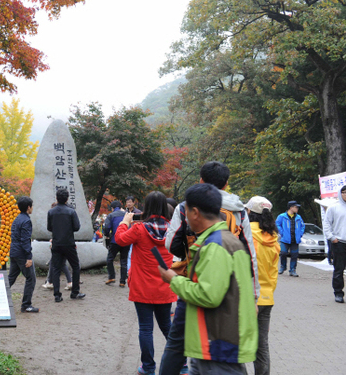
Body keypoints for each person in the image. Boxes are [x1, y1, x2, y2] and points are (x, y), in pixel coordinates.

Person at [160, 161, 259, 375]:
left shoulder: (190, 210)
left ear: (201, 180)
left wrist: (174, 277)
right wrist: (255, 294)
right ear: (226, 184)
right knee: (202, 355)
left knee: (178, 343)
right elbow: (250, 251)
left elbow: (170, 244)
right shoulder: (239, 211)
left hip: (194, 286)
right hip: (233, 297)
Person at [115, 191, 176, 375]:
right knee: (168, 327)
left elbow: (120, 239)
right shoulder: (173, 229)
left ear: (147, 207)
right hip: (165, 286)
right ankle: (181, 364)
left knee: (146, 329)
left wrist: (125, 222)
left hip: (142, 287)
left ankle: (148, 367)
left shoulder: (139, 229)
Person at [245, 196, 279, 375]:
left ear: (249, 212)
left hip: (248, 297)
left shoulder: (245, 234)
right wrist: (267, 292)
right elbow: (274, 273)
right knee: (262, 345)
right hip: (267, 298)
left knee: (239, 343)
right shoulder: (273, 238)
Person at [47, 188, 85, 302]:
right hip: (69, 243)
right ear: (67, 199)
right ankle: (75, 292)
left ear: (57, 198)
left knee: (56, 268)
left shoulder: (51, 212)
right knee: (75, 266)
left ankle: (57, 295)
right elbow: (77, 227)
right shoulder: (71, 211)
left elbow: (49, 228)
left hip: (56, 243)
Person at [8, 196, 39, 313]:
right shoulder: (26, 220)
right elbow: (25, 240)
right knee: (31, 278)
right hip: (21, 253)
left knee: (11, 278)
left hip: (14, 252)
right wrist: (28, 257)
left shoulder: (16, 219)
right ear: (28, 207)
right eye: (32, 206)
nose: (32, 208)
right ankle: (26, 305)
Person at [323, 185, 346, 303]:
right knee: (339, 269)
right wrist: (332, 237)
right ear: (340, 193)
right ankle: (338, 293)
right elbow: (327, 224)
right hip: (339, 243)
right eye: (344, 192)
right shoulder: (334, 208)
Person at [103, 200, 130, 287]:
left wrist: (107, 235)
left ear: (112, 208)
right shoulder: (127, 214)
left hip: (115, 240)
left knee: (110, 259)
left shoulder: (111, 215)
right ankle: (122, 281)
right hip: (126, 240)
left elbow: (106, 227)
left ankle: (111, 277)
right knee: (124, 260)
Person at [275, 200, 305, 277]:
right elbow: (277, 224)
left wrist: (300, 234)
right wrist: (282, 233)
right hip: (285, 239)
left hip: (295, 239)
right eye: (296, 207)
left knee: (294, 255)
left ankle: (292, 270)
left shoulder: (298, 217)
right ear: (291, 207)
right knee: (283, 253)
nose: (297, 208)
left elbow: (302, 226)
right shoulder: (282, 216)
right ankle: (283, 266)